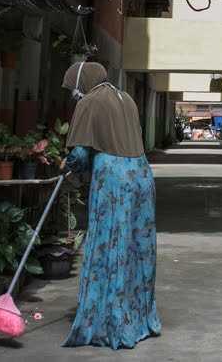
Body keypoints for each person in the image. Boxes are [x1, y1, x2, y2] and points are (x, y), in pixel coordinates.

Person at [59, 60, 161, 349]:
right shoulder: (125, 97)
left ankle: (107, 320)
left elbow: (80, 155)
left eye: (74, 88)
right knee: (135, 246)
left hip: (113, 179)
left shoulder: (89, 102)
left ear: (82, 84)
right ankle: (138, 317)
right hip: (141, 174)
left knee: (109, 243)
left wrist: (65, 166)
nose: (74, 94)